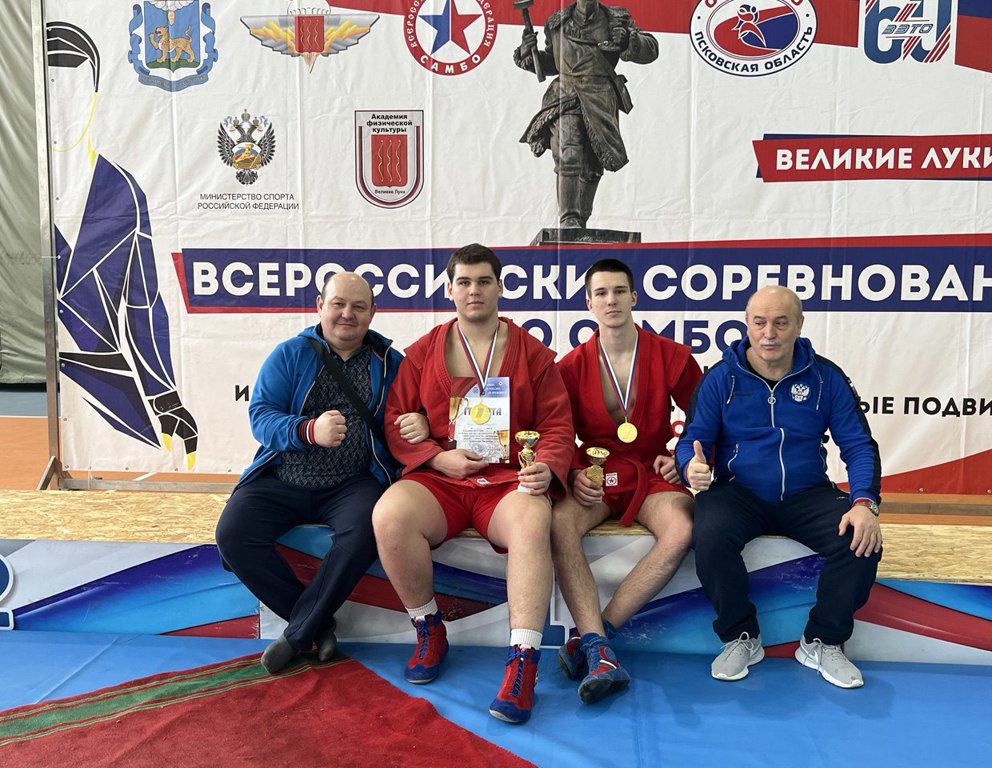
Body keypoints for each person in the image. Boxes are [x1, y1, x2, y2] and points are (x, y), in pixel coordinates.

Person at [372, 243, 575, 724]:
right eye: (463, 282)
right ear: (449, 289)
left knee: (533, 521)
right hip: (443, 478)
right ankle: (428, 627)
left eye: (484, 281)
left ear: (500, 287)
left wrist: (547, 466)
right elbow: (397, 418)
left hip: (506, 480)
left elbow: (557, 425)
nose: (473, 290)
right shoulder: (423, 352)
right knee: (390, 515)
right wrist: (435, 456)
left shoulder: (532, 353)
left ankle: (523, 660)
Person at [675, 285, 883, 689]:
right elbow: (691, 441)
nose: (769, 333)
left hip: (808, 494)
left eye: (781, 323)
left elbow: (859, 445)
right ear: (746, 325)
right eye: (760, 323)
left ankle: (823, 641)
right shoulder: (720, 378)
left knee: (861, 539)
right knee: (709, 535)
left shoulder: (826, 377)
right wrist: (691, 467)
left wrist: (864, 503)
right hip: (739, 493)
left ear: (799, 325)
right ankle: (741, 636)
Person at [216, 272, 423, 674]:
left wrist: (421, 421)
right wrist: (308, 430)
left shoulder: (390, 363)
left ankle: (297, 634)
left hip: (354, 482)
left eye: (358, 307)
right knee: (233, 536)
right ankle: (316, 624)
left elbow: (412, 413)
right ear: (320, 307)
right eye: (338, 304)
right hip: (283, 476)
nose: (347, 314)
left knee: (365, 533)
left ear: (373, 312)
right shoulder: (290, 354)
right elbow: (261, 416)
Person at [46, 21, 198, 467]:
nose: (64, 114)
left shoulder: (123, 191)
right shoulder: (24, 190)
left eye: (74, 95)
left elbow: (143, 304)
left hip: (108, 378)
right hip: (57, 373)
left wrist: (164, 395)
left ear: (93, 98)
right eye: (54, 98)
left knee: (141, 457)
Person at [551, 259, 703, 704]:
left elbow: (705, 417)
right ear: (588, 303)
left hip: (652, 470)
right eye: (601, 293)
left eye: (619, 291)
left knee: (682, 529)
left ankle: (595, 640)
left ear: (634, 297)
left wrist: (680, 457)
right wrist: (574, 471)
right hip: (597, 473)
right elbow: (557, 430)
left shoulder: (672, 356)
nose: (611, 300)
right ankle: (599, 646)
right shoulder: (571, 367)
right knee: (559, 523)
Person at [514, 0, 658, 229]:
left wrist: (628, 40)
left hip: (600, 98)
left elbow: (651, 49)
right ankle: (568, 218)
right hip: (565, 95)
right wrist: (528, 52)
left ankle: (579, 221)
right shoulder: (556, 23)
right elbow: (554, 62)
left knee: (592, 166)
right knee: (568, 153)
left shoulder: (617, 19)